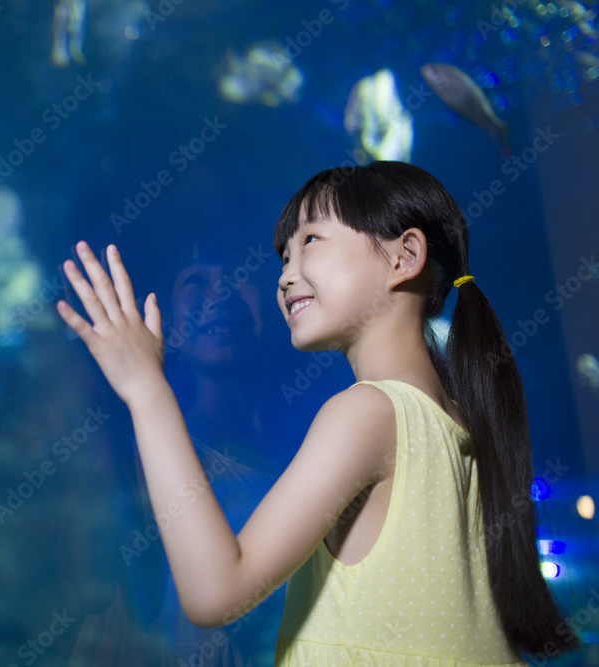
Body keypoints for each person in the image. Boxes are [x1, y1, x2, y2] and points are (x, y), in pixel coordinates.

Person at [56, 161, 581, 665]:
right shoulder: (461, 418)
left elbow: (215, 592)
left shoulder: (367, 412)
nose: (285, 276)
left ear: (404, 257)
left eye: (310, 241)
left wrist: (146, 389)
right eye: (283, 257)